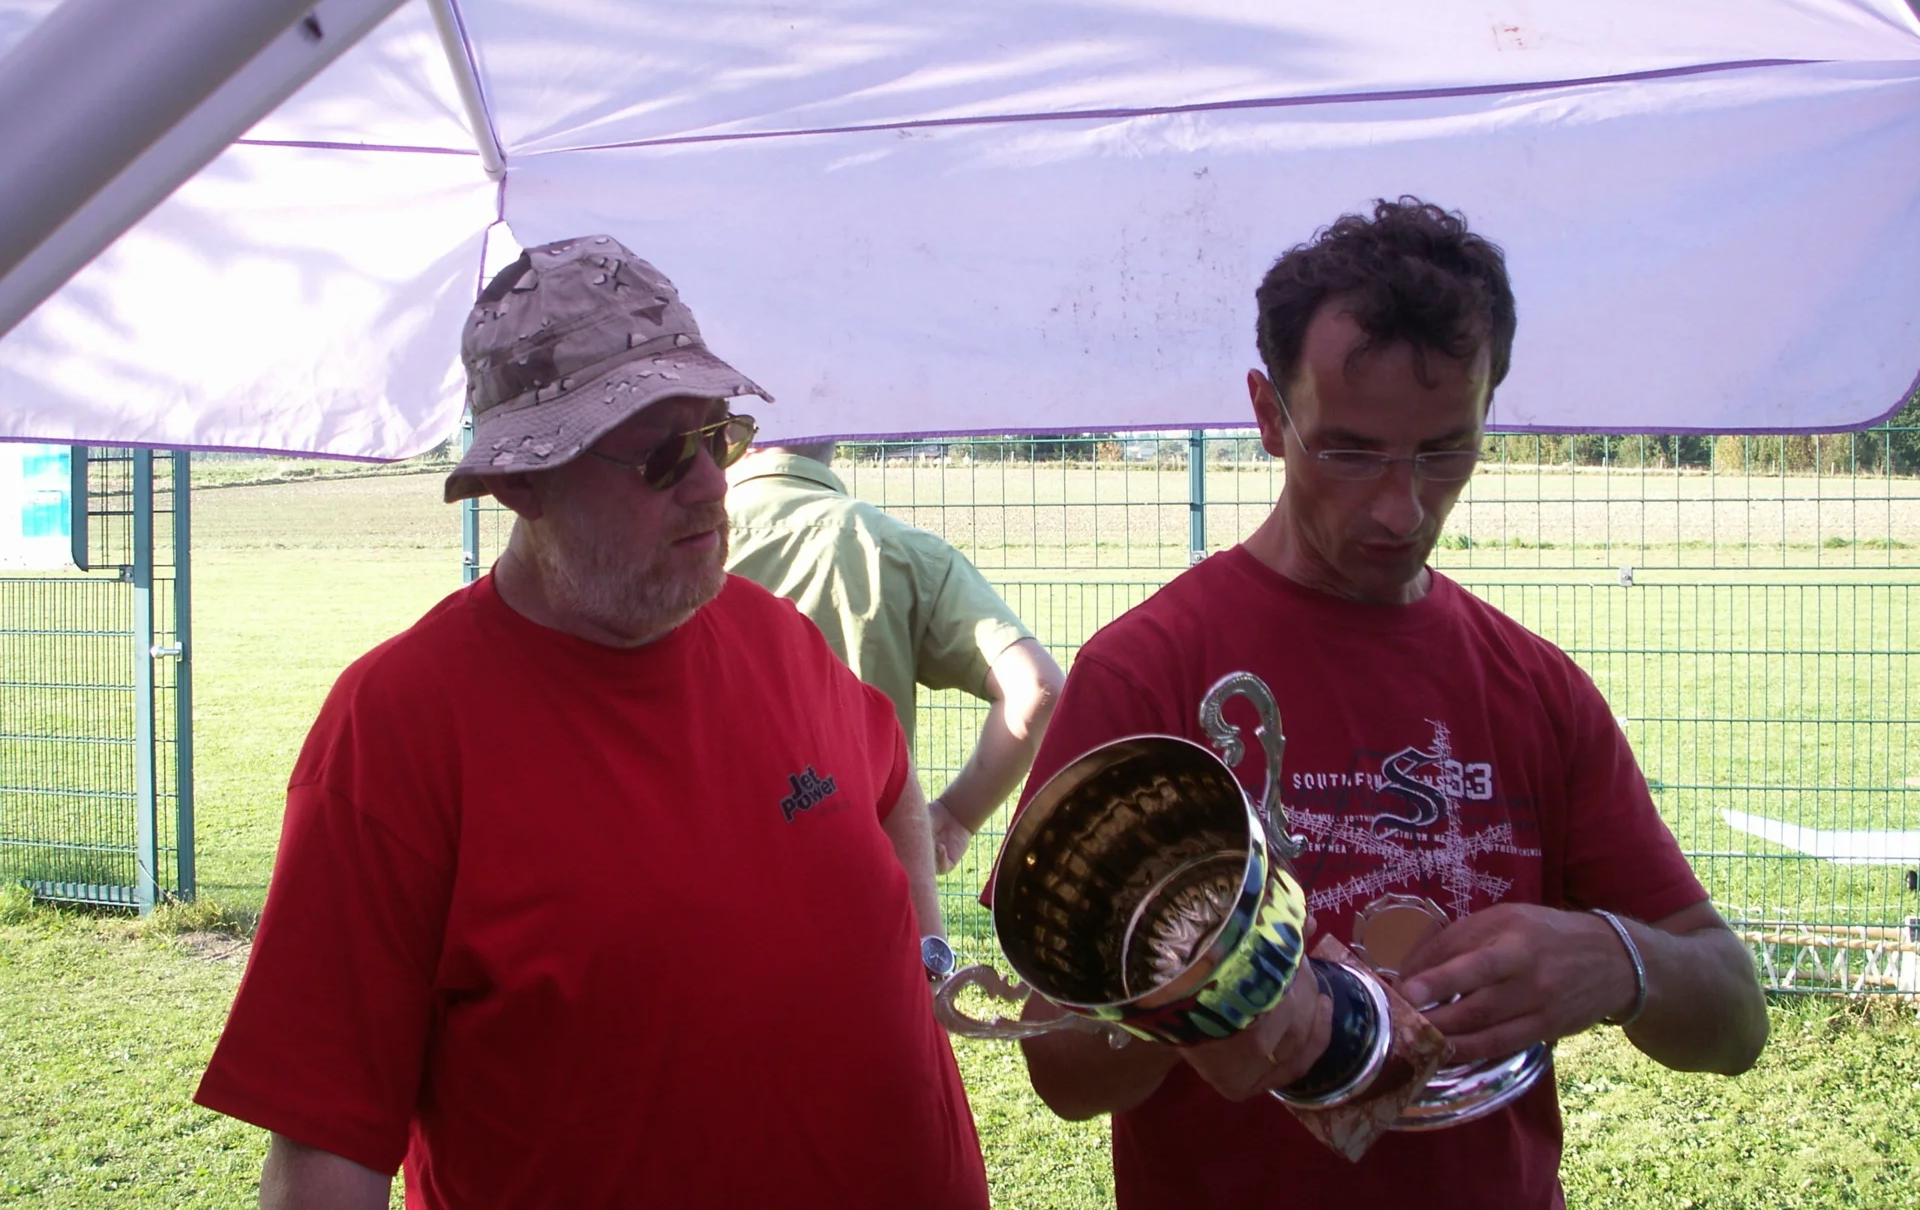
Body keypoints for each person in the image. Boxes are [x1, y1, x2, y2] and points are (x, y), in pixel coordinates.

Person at [194, 235, 990, 1210]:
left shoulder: (777, 638)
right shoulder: (398, 729)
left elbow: (891, 782)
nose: (711, 485)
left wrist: (929, 955)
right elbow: (327, 1156)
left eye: (716, 436)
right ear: (522, 484)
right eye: (660, 456)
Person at [1011, 198, 1768, 1208]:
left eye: (1445, 450)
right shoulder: (1149, 672)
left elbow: (1735, 1021)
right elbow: (1062, 1073)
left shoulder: (1536, 688)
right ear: (1269, 416)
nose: (1401, 508)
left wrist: (1620, 960)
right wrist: (1204, 997)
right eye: (1351, 451)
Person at [726, 441, 1065, 873]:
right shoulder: (903, 551)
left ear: (739, 435)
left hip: (713, 865)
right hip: (868, 871)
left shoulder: (682, 545)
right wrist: (956, 815)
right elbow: (1037, 687)